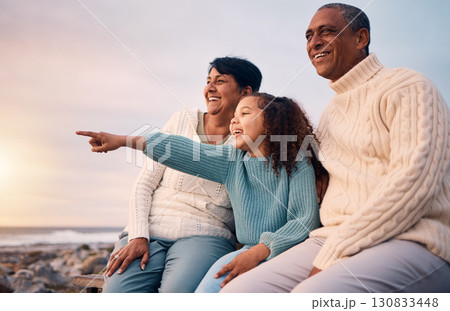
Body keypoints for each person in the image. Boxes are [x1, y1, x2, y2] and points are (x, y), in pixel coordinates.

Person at [219, 3, 450, 293]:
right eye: (308, 35)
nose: (314, 42)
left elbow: (414, 185)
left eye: (326, 32)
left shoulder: (408, 87)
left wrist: (334, 252)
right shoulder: (329, 114)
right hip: (330, 238)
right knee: (235, 293)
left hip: (411, 238)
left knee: (309, 296)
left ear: (360, 38)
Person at [76, 91, 324, 292]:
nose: (234, 121)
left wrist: (261, 250)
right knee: (205, 293)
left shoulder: (297, 162)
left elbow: (304, 221)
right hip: (248, 250)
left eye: (244, 113)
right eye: (234, 115)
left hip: (287, 252)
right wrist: (124, 141)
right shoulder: (232, 160)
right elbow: (180, 149)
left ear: (271, 123)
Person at [92, 56, 262, 293]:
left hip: (205, 237)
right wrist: (138, 236)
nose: (210, 88)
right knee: (118, 293)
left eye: (220, 81)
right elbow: (144, 185)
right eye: (208, 80)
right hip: (149, 233)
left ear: (245, 92)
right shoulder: (182, 120)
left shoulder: (247, 143)